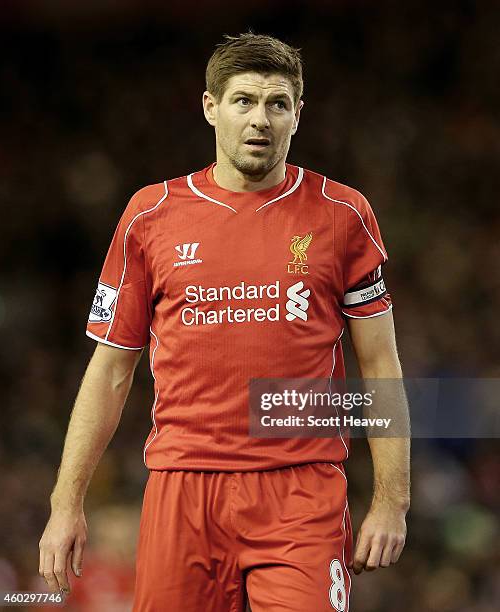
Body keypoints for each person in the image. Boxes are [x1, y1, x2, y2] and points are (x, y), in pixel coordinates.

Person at [39, 32, 410, 611]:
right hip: (183, 487)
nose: (260, 119)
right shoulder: (150, 215)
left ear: (297, 114)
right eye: (243, 101)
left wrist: (392, 502)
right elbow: (111, 369)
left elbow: (380, 363)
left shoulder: (343, 214)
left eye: (277, 103)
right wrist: (67, 502)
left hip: (300, 489)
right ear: (211, 107)